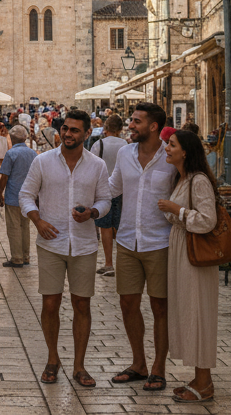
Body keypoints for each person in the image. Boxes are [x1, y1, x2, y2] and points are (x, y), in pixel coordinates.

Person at [18, 109, 112, 388]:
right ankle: (52, 358)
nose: (68, 134)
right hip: (51, 242)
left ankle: (80, 366)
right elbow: (26, 195)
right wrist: (38, 220)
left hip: (83, 243)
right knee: (50, 303)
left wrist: (93, 212)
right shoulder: (43, 162)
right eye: (65, 129)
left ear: (86, 133)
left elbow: (105, 200)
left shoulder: (97, 165)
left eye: (74, 130)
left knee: (82, 303)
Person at [108, 102, 178, 392]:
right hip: (126, 240)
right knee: (127, 303)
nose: (131, 125)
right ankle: (138, 363)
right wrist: (90, 208)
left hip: (160, 241)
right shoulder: (124, 154)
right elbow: (112, 188)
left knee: (160, 306)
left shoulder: (171, 156)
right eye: (131, 120)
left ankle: (159, 368)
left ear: (153, 127)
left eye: (136, 121)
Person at [156, 130, 220, 402]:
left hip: (196, 257)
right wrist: (175, 212)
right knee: (188, 313)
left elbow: (208, 220)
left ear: (185, 151)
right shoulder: (182, 179)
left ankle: (205, 383)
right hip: (182, 252)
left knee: (198, 315)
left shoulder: (199, 181)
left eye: (171, 145)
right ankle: (199, 376)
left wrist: (175, 209)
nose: (166, 148)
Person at [0, 125, 37, 267]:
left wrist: (0, 193)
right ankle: (26, 256)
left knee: (14, 227)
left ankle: (17, 258)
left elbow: (4, 177)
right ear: (25, 138)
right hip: (29, 196)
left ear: (11, 138)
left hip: (13, 196)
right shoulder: (33, 153)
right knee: (25, 227)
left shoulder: (11, 154)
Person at [94, 115, 128, 277]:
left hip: (104, 190)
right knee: (120, 226)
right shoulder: (126, 145)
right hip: (122, 190)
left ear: (105, 128)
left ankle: (109, 263)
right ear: (120, 129)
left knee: (105, 228)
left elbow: (92, 168)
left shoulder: (98, 144)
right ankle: (123, 262)